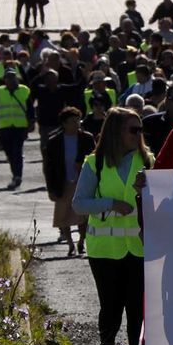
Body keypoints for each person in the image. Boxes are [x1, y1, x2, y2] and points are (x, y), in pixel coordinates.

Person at [72, 107, 150, 345]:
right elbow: (79, 204)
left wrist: (147, 190)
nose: (138, 134)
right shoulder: (95, 163)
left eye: (140, 129)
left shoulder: (148, 160)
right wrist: (110, 204)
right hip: (104, 249)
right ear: (116, 132)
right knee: (111, 307)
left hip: (139, 248)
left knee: (137, 309)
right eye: (133, 129)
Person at [41, 107, 95, 256]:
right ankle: (70, 243)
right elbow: (48, 167)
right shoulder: (54, 141)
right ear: (64, 123)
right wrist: (50, 188)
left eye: (78, 120)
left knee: (83, 215)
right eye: (72, 121)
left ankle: (81, 241)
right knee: (63, 214)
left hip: (82, 181)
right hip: (62, 182)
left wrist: (83, 164)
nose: (76, 124)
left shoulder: (87, 138)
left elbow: (95, 159)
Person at [0, 67, 34, 189]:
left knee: (17, 152)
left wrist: (32, 122)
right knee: (9, 153)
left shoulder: (24, 90)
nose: (10, 80)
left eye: (12, 78)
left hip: (20, 127)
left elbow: (30, 108)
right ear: (5, 80)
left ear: (16, 79)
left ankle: (17, 176)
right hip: (4, 127)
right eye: (8, 78)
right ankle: (15, 174)